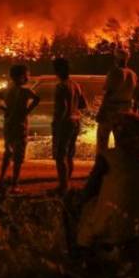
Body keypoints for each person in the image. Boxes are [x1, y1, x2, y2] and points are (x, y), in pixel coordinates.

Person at [77, 112, 139, 264]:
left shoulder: (109, 158)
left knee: (83, 209)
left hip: (121, 231)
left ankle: (82, 256)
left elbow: (88, 193)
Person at [0, 64, 40, 194]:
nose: (28, 77)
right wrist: (27, 111)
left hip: (8, 124)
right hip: (20, 126)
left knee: (7, 152)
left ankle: (1, 181)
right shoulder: (26, 91)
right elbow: (37, 99)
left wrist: (4, 108)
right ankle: (15, 184)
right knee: (18, 156)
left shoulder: (6, 90)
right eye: (27, 74)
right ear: (21, 76)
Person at [52, 57, 87, 194]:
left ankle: (63, 186)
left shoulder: (61, 86)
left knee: (60, 156)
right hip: (75, 121)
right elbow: (83, 105)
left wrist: (57, 124)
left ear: (57, 70)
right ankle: (67, 183)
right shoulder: (76, 85)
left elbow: (62, 108)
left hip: (65, 122)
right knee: (69, 154)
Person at [96, 48, 137, 152]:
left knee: (102, 141)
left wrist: (101, 111)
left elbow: (109, 93)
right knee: (120, 142)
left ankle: (102, 164)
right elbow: (135, 95)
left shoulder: (115, 72)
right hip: (126, 111)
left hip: (111, 111)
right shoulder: (133, 74)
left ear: (117, 58)